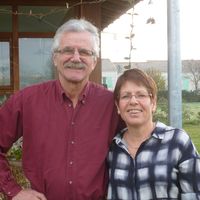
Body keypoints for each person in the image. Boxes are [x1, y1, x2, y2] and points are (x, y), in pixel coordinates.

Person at [0, 19, 121, 200]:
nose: (75, 58)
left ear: (94, 61)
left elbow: (141, 142)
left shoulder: (111, 105)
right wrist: (13, 191)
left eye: (84, 52)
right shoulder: (26, 101)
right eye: (67, 50)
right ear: (55, 58)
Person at [107, 68, 200, 200]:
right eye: (126, 96)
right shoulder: (113, 149)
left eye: (141, 95)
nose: (133, 101)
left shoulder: (177, 142)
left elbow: (194, 194)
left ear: (153, 103)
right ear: (117, 106)